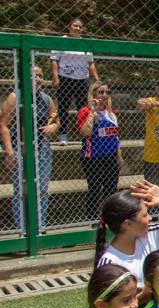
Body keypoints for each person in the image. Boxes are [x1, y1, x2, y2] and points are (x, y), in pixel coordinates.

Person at [94, 180, 159, 307]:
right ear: (127, 224)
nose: (150, 218)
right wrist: (146, 293)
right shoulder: (110, 262)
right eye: (145, 215)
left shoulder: (149, 234)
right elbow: (110, 307)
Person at [0, 67, 58, 231]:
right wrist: (10, 152)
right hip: (21, 148)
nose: (38, 79)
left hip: (42, 150)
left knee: (42, 190)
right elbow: (3, 125)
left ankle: (40, 227)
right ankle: (23, 230)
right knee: (22, 190)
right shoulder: (14, 97)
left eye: (40, 76)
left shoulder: (46, 99)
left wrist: (53, 125)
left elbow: (55, 117)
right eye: (34, 75)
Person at [77, 81, 122, 222]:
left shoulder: (111, 113)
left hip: (110, 156)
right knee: (95, 189)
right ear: (93, 93)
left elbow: (115, 136)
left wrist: (119, 155)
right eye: (100, 92)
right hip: (93, 156)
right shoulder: (85, 111)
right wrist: (92, 111)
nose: (104, 95)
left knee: (110, 189)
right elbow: (85, 132)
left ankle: (108, 219)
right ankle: (91, 220)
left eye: (106, 92)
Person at [50, 17, 98, 146]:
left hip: (82, 80)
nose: (77, 28)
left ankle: (84, 135)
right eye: (75, 26)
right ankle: (63, 135)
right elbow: (54, 60)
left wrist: (97, 79)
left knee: (82, 109)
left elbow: (91, 63)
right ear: (69, 27)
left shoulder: (85, 43)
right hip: (65, 78)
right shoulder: (61, 41)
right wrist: (55, 77)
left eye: (79, 27)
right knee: (63, 107)